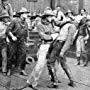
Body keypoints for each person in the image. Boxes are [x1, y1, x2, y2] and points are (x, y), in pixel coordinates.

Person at [26, 9, 56, 89]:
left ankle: (29, 81)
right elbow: (43, 36)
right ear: (46, 17)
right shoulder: (39, 24)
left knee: (41, 66)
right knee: (39, 66)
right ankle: (34, 84)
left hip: (50, 45)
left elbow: (52, 31)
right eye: (50, 16)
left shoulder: (50, 24)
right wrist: (52, 36)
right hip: (43, 46)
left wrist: (52, 35)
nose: (51, 18)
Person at [47, 16, 77, 88]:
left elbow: (69, 40)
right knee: (64, 64)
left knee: (50, 63)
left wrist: (62, 51)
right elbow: (58, 23)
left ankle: (55, 82)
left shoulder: (71, 26)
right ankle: (72, 81)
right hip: (59, 44)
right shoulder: (67, 24)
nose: (67, 18)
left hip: (60, 45)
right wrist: (53, 18)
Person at [6, 7, 28, 76]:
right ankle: (9, 69)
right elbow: (8, 30)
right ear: (21, 14)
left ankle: (22, 69)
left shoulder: (26, 23)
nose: (26, 15)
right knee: (11, 55)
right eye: (25, 14)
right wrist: (12, 36)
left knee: (23, 54)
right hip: (13, 41)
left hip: (21, 41)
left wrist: (26, 42)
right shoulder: (14, 21)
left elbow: (26, 33)